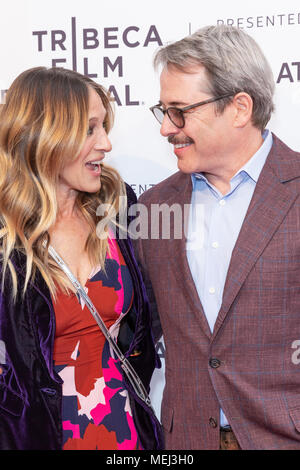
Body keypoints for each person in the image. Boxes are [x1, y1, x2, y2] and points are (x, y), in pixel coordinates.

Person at [134, 25, 300, 450]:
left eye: (179, 111)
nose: (166, 129)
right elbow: (143, 332)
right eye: (163, 111)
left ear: (240, 108)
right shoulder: (155, 206)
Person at [0, 66, 163, 450]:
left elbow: (146, 323)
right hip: (38, 435)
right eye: (90, 129)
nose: (106, 143)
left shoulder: (117, 207)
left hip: (126, 430)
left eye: (104, 127)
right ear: (45, 134)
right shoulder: (6, 234)